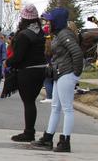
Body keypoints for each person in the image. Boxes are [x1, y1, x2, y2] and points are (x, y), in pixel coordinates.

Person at [32, 8, 84, 152]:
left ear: (57, 21)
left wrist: (75, 74)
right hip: (59, 73)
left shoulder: (65, 34)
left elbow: (77, 53)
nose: (48, 22)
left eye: (50, 20)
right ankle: (48, 137)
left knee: (67, 108)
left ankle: (65, 141)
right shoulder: (59, 34)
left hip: (66, 73)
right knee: (55, 107)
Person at [7, 4, 48, 142]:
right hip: (40, 69)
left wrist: (8, 62)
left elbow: (18, 56)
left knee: (28, 102)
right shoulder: (39, 32)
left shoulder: (24, 35)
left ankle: (29, 132)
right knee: (31, 102)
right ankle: (29, 131)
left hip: (28, 71)